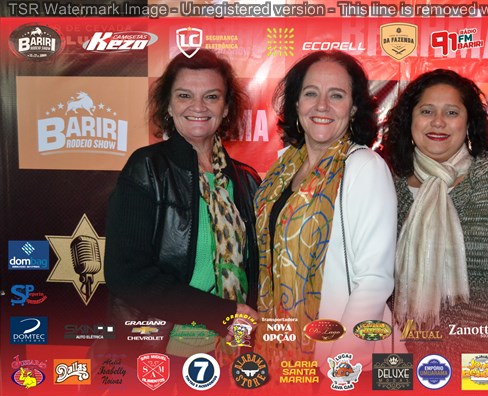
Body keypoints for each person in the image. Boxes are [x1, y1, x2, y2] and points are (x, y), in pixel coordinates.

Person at [382, 69, 488, 360]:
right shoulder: (387, 185)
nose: (438, 122)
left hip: (483, 367)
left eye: (451, 112)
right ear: (410, 120)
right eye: (426, 111)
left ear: (468, 122)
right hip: (399, 362)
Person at [103, 50, 261, 361]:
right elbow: (125, 274)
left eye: (211, 97)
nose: (198, 107)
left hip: (231, 350)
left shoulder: (245, 179)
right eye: (184, 95)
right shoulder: (147, 168)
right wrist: (219, 313)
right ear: (169, 105)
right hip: (160, 353)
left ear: (226, 108)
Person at [254, 50, 397, 369]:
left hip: (337, 359)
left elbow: (374, 281)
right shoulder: (284, 168)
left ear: (354, 107)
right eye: (310, 93)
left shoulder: (364, 167)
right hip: (279, 346)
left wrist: (341, 362)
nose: (322, 105)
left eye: (336, 95)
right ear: (296, 103)